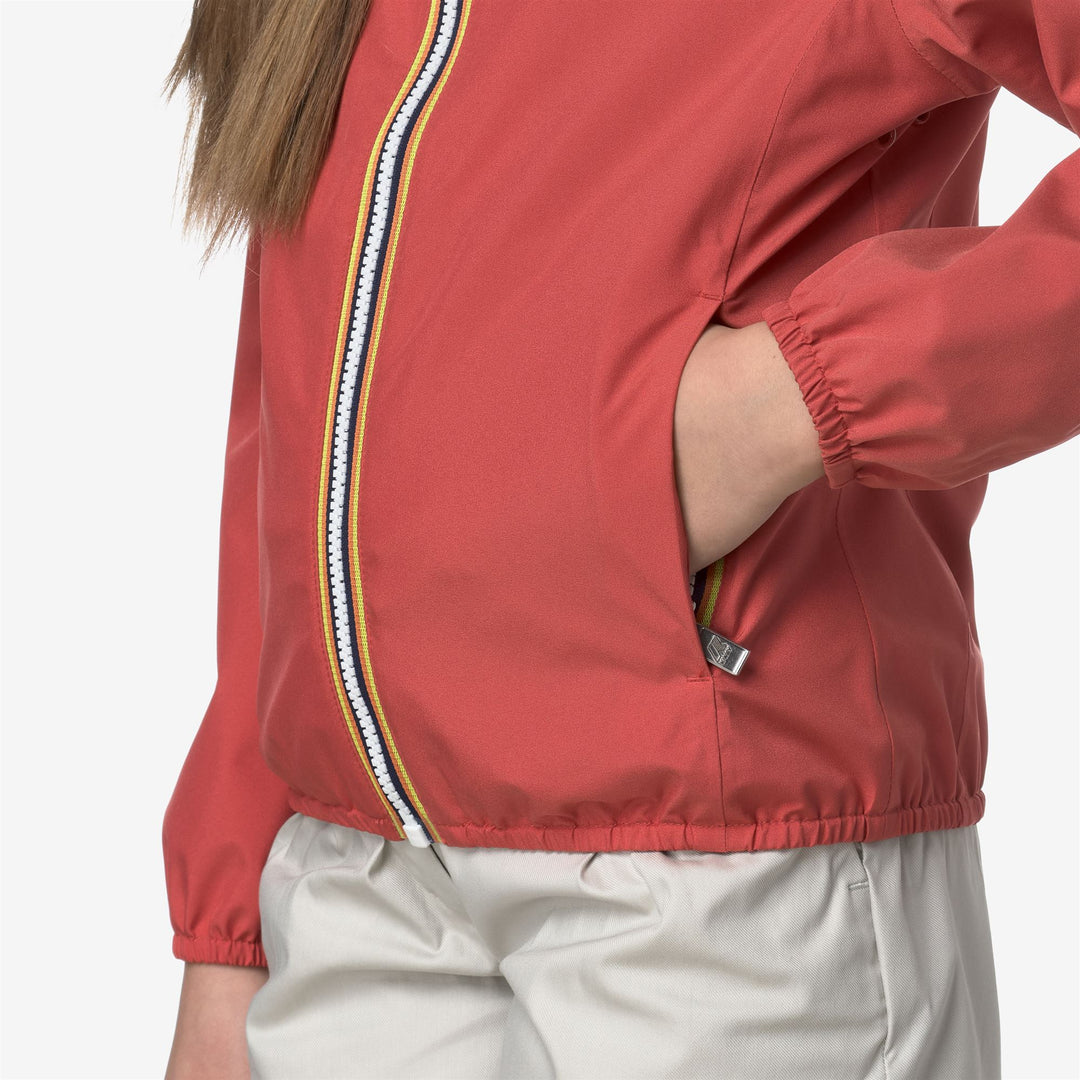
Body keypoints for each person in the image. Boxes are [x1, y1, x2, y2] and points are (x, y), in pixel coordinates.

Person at [162, 0, 1078, 1077]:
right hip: (352, 885)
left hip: (726, 893)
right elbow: (307, 395)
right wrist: (231, 921)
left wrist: (800, 398)